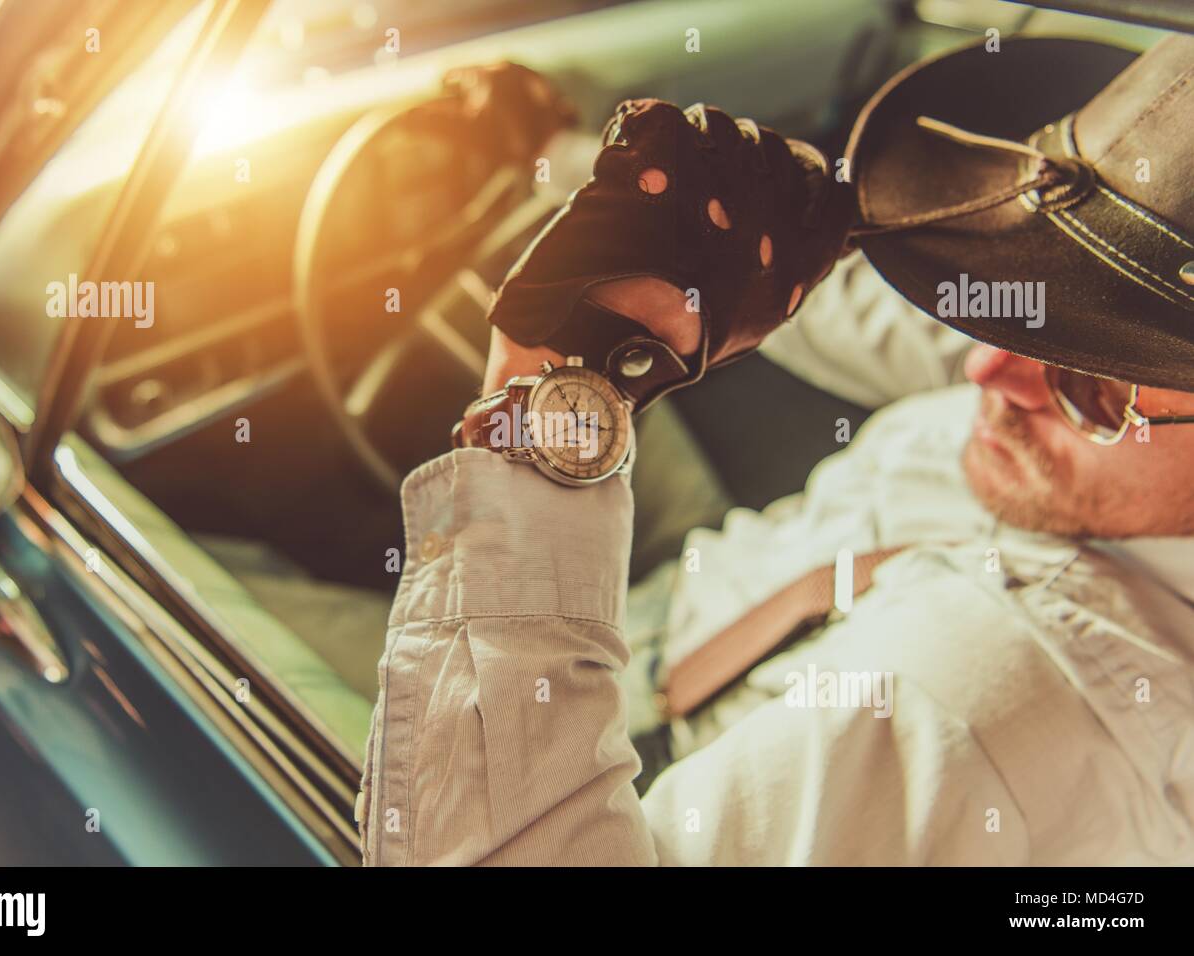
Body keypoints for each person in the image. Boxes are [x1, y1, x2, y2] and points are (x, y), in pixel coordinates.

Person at [356, 34, 1194, 864]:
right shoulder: (1058, 410)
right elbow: (841, 314)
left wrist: (539, 410)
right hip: (676, 589)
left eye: (1098, 386)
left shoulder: (983, 712)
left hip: (608, 764)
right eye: (1028, 313)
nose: (983, 368)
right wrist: (565, 164)